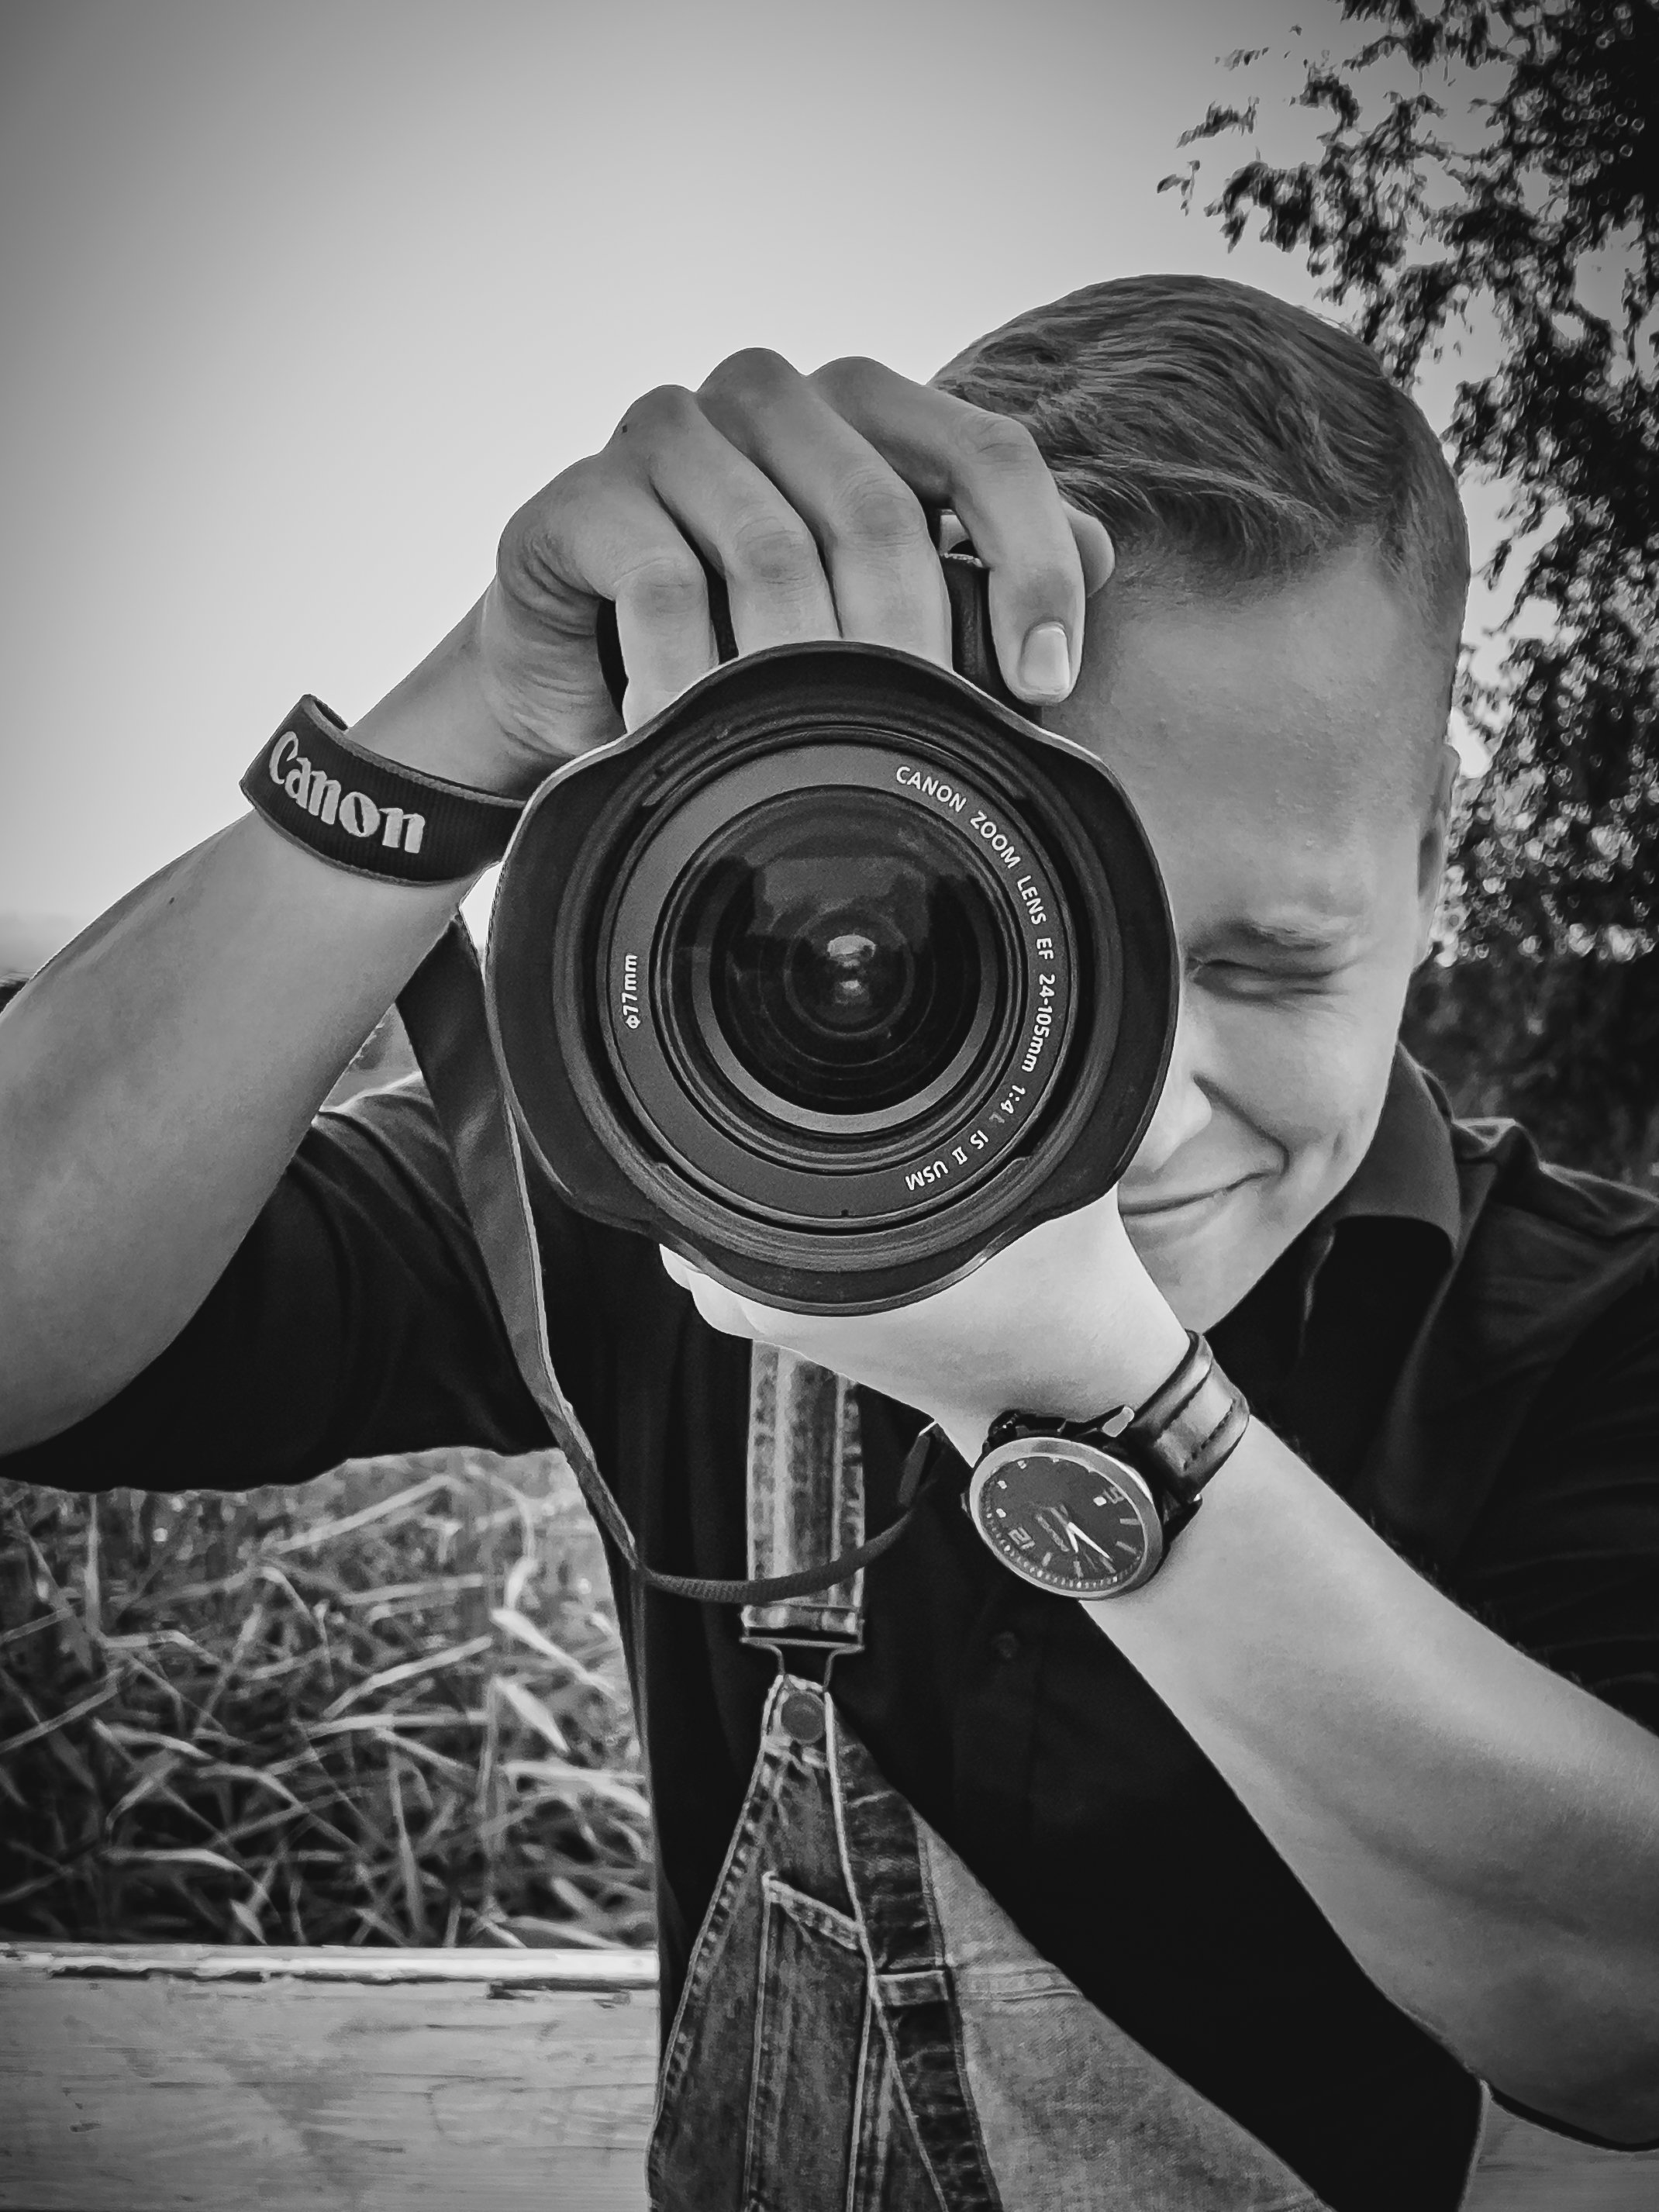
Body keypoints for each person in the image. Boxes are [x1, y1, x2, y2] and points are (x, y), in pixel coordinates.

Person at [2, 274, 1656, 2211]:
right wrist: (462, 725)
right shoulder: (675, 1173)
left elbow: (1622, 2015)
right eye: (1026, 940)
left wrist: (1097, 1403)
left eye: (1264, 965)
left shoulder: (1587, 1318)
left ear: (1433, 858)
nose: (1133, 1124)